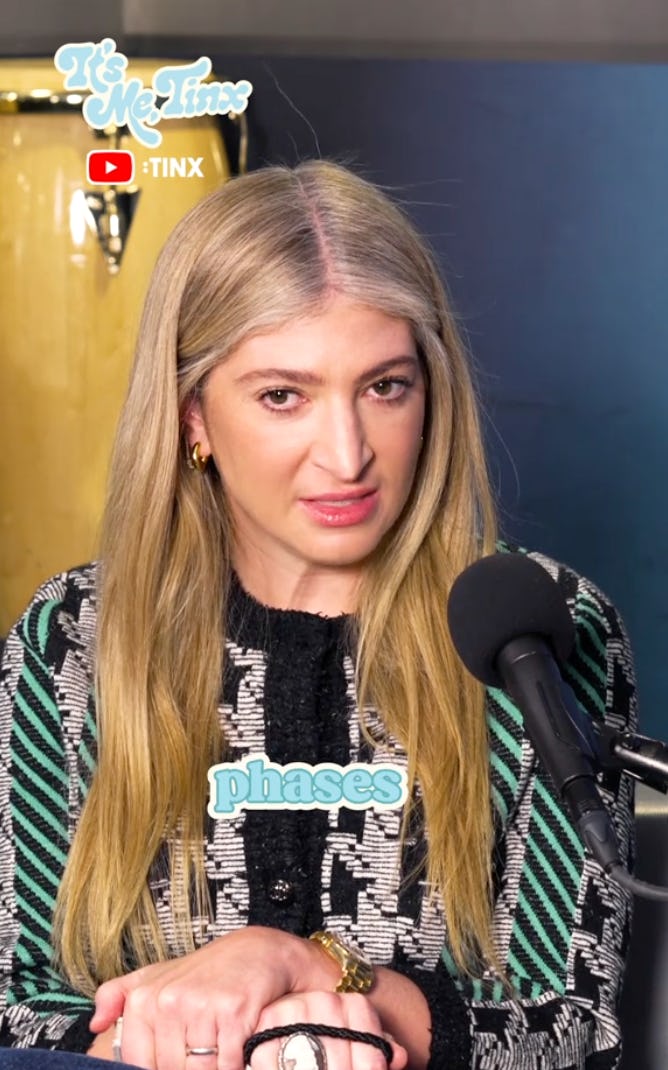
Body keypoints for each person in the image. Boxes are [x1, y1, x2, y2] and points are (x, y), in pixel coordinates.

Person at [0, 160, 635, 1070]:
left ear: (432, 393)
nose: (347, 456)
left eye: (385, 387)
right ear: (192, 416)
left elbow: (573, 1027)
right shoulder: (72, 637)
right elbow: (14, 1004)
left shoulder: (537, 627)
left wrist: (305, 967)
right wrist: (238, 1037)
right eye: (283, 396)